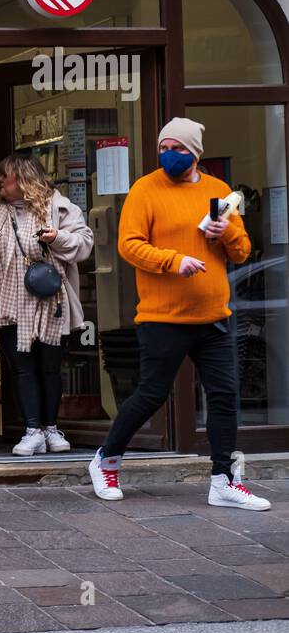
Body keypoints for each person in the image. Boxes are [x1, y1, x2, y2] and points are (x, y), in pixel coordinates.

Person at [88, 118, 269, 510]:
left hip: (213, 315)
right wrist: (174, 261)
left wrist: (227, 234)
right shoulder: (145, 190)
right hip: (163, 316)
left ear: (195, 153)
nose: (169, 154)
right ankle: (106, 460)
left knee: (224, 395)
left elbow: (240, 252)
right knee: (151, 394)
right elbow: (129, 246)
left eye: (178, 148)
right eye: (163, 147)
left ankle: (223, 479)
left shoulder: (218, 191)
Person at [0, 153, 93, 455]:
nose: (0, 183)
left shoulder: (59, 208)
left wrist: (57, 237)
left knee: (49, 368)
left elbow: (84, 243)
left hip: (50, 302)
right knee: (22, 369)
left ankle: (51, 428)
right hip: (6, 303)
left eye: (4, 176)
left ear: (22, 180)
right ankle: (32, 430)